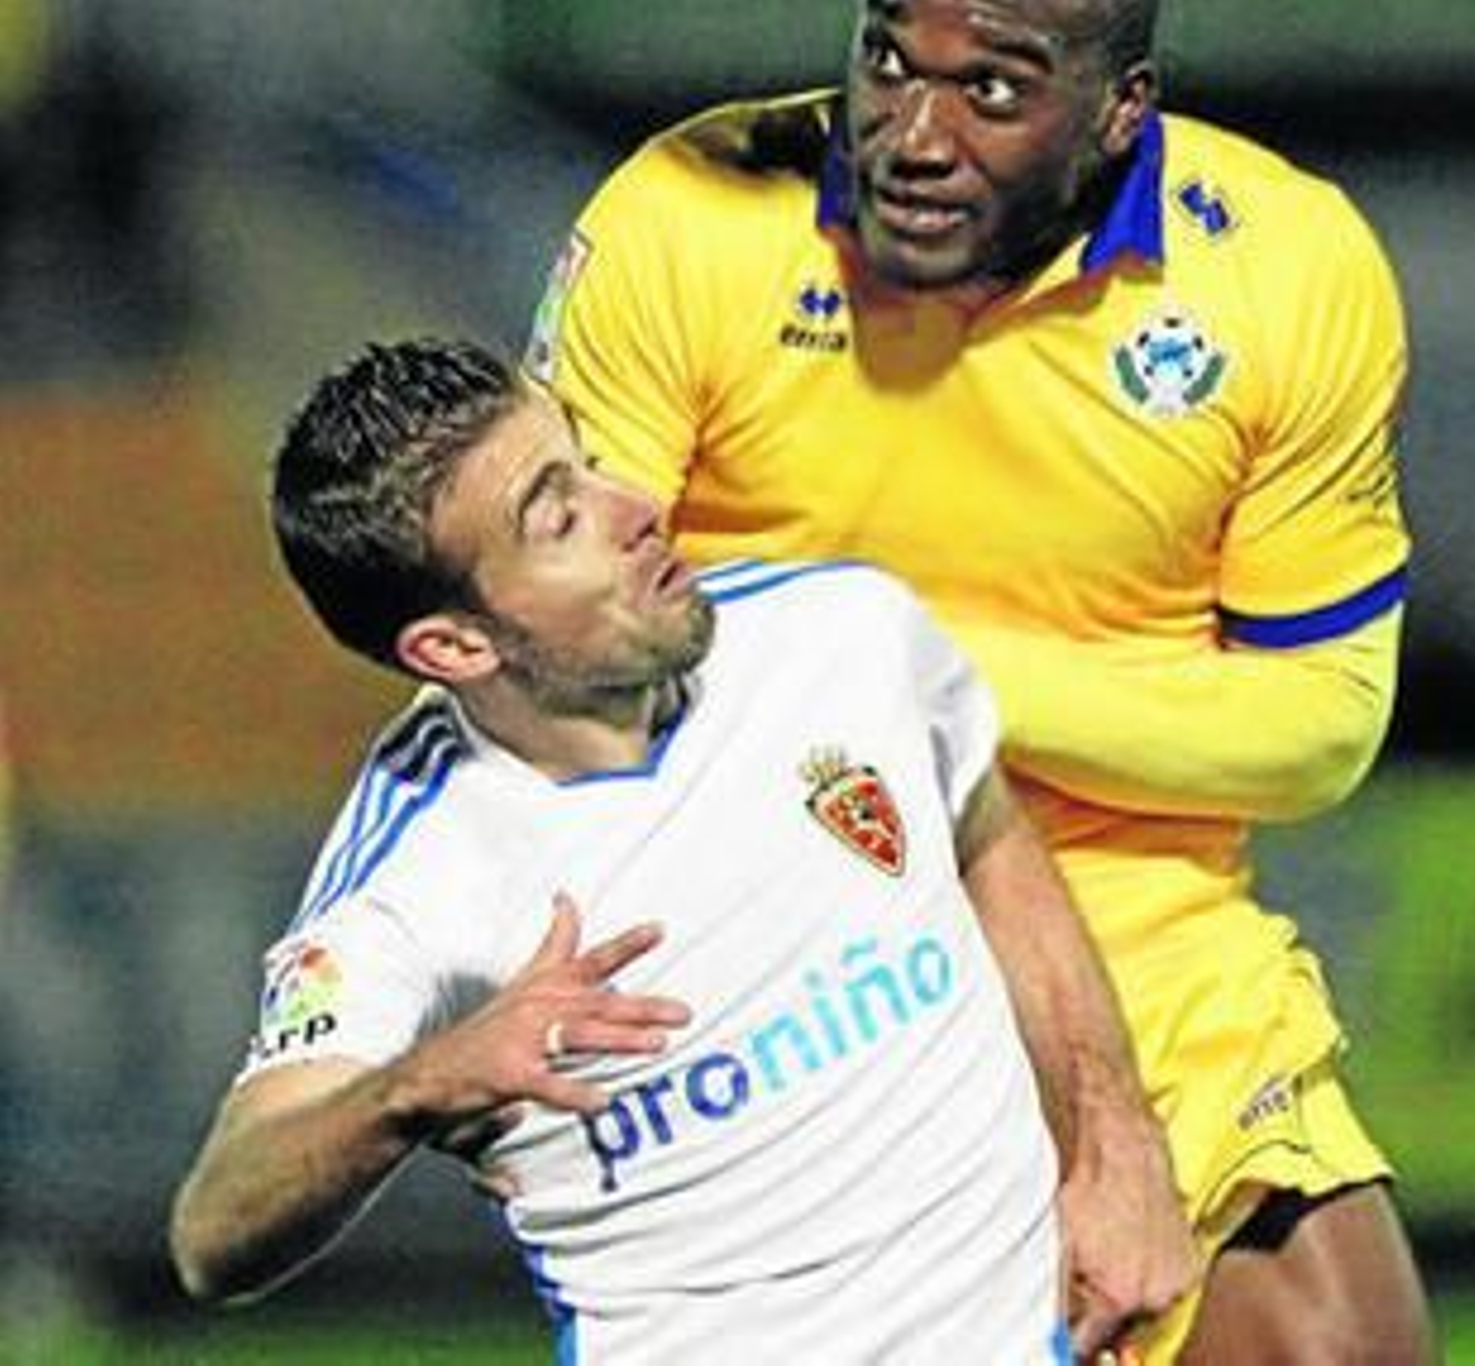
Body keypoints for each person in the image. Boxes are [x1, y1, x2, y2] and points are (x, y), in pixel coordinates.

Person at [529, 0, 1436, 1365]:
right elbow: (559, 638)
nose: (914, 137)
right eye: (889, 64)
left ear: (1118, 111)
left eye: (993, 93)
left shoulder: (1287, 270)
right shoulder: (686, 222)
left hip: (1144, 929)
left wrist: (921, 677)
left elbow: (1317, 728)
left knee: (1343, 1348)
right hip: (786, 932)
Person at [169, 336, 1109, 1361]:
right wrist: (423, 1083)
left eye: (588, 459)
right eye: (559, 517)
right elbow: (215, 1232)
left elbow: (991, 841)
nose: (636, 508)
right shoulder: (412, 889)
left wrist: (1118, 1159)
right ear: (457, 648)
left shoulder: (845, 636)